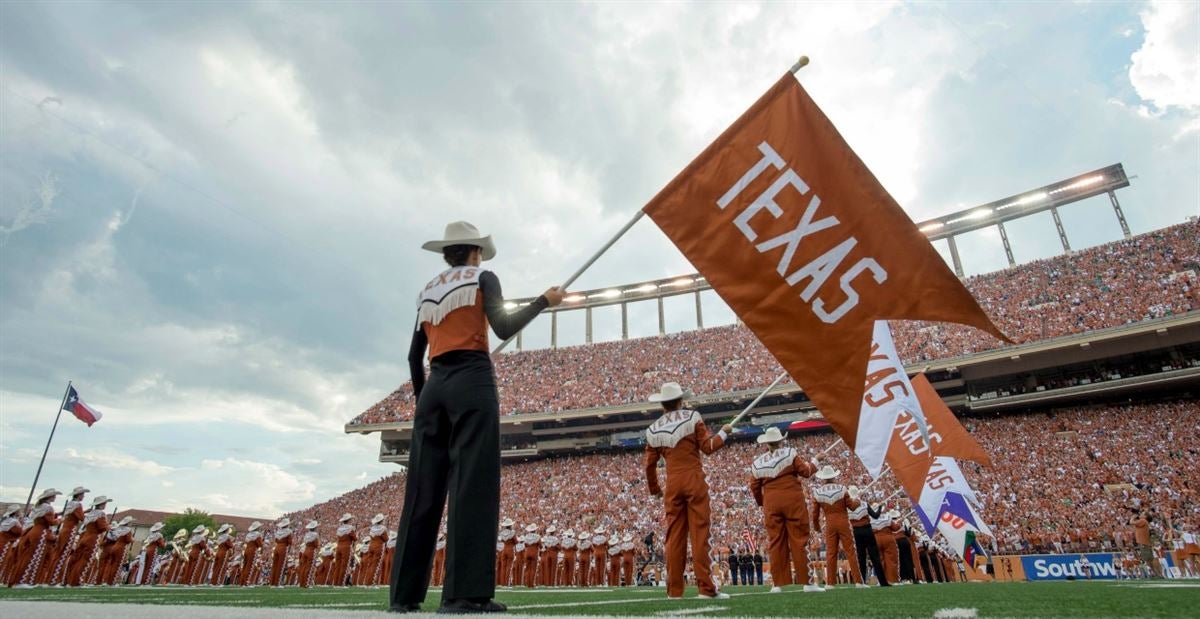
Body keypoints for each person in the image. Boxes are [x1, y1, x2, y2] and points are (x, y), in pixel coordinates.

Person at [390, 221, 563, 614]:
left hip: (434, 385)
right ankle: (463, 594)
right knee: (472, 483)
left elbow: (412, 357)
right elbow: (503, 327)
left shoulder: (428, 290)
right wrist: (543, 301)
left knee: (421, 490)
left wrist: (423, 401)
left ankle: (402, 596)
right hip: (472, 378)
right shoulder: (485, 277)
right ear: (474, 251)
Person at [642, 381, 731, 599]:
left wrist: (655, 489)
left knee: (674, 537)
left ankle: (674, 590)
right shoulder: (692, 417)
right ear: (681, 401)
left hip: (672, 485)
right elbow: (708, 448)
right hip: (694, 480)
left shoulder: (653, 429)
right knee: (700, 534)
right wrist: (724, 433)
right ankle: (706, 589)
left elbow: (649, 466)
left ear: (663, 404)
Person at [748, 426, 822, 593]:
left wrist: (763, 502)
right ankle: (807, 583)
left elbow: (754, 487)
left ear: (767, 443)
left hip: (771, 503)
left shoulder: (758, 462)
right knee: (799, 540)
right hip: (793, 500)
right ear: (780, 441)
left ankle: (777, 584)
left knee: (775, 542)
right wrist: (816, 460)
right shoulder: (790, 453)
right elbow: (806, 471)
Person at [811, 466, 865, 588]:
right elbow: (852, 506)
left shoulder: (818, 492)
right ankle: (858, 581)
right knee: (850, 551)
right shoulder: (842, 489)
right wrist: (857, 500)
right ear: (834, 477)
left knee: (831, 553)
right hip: (843, 522)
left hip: (830, 524)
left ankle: (830, 583)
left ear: (823, 478)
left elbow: (815, 514)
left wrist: (817, 527)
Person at [8, 488, 62, 587]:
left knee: (29, 555)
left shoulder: (39, 507)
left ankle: (23, 580)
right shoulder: (48, 507)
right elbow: (51, 522)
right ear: (49, 497)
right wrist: (59, 521)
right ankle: (24, 580)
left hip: (34, 531)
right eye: (54, 496)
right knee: (34, 557)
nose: (55, 497)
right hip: (41, 533)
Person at [41, 486, 87, 585]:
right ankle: (55, 580)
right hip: (70, 530)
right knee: (63, 555)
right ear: (79, 495)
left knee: (58, 554)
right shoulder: (77, 504)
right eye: (82, 494)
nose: (83, 496)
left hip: (64, 529)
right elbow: (82, 518)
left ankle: (51, 578)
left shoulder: (70, 504)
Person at [847, 487, 889, 587]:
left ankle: (861, 582)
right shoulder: (864, 504)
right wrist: (879, 507)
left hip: (856, 532)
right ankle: (883, 582)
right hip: (867, 530)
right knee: (875, 557)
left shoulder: (847, 507)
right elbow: (875, 516)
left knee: (861, 558)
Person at [239, 522, 265, 586]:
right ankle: (247, 582)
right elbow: (260, 544)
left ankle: (242, 582)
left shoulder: (248, 534)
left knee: (245, 566)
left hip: (246, 550)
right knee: (250, 566)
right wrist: (262, 546)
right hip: (253, 550)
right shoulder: (257, 534)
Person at [269, 518, 293, 586]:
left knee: (275, 566)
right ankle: (277, 583)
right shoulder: (288, 531)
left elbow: (276, 540)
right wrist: (288, 551)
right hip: (283, 548)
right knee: (281, 566)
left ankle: (272, 582)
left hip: (276, 547)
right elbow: (290, 542)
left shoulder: (278, 531)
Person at [497, 519, 517, 587]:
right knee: (509, 567)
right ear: (510, 525)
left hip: (504, 549)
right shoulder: (512, 532)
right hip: (510, 549)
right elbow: (516, 541)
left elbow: (502, 540)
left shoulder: (502, 533)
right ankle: (506, 583)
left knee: (503, 567)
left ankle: (502, 583)